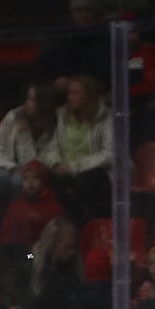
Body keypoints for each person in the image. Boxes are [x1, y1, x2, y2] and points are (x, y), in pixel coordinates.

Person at [43, 75, 114, 225]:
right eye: (69, 93)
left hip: (95, 171)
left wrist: (75, 167)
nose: (70, 97)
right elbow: (51, 147)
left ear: (88, 95)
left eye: (75, 93)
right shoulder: (62, 115)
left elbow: (109, 154)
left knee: (85, 182)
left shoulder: (105, 117)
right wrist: (56, 163)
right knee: (49, 179)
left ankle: (85, 229)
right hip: (65, 169)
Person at [0, 84, 57, 201]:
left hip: (33, 169)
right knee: (1, 178)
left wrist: (25, 137)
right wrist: (11, 167)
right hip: (5, 163)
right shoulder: (14, 116)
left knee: (18, 182)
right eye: (27, 98)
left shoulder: (53, 124)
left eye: (33, 99)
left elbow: (32, 162)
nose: (27, 103)